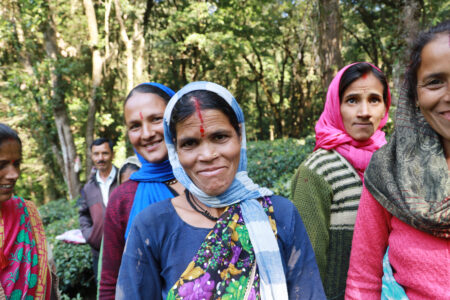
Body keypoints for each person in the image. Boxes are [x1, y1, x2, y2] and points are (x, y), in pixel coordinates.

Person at [116, 82, 326, 299]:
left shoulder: (281, 214)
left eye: (219, 137)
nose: (207, 155)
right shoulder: (152, 226)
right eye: (190, 143)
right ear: (175, 150)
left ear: (240, 136)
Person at [345, 20, 450, 299]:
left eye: (374, 100)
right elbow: (362, 281)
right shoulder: (390, 171)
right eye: (435, 81)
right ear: (414, 93)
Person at [290, 62, 391, 299]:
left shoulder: (393, 164)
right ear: (336, 106)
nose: (364, 111)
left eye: (374, 99)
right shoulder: (317, 171)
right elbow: (306, 263)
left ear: (385, 107)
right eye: (352, 100)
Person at [99, 83, 185, 299]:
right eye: (135, 126)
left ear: (176, 118)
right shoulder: (123, 199)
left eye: (156, 119)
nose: (146, 134)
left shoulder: (207, 181)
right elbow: (110, 284)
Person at [0, 123, 56, 299]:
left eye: (16, 164)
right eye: (2, 165)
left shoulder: (27, 213)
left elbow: (48, 281)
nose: (13, 174)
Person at [78, 138, 119, 281]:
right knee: (103, 293)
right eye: (96, 154)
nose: (100, 158)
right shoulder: (88, 187)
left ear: (112, 155)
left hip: (125, 251)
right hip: (99, 253)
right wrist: (90, 235)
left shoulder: (123, 180)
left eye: (105, 153)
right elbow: (83, 215)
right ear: (91, 156)